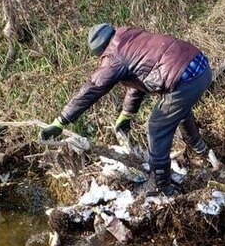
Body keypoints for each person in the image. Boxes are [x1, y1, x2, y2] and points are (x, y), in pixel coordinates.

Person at [40, 23, 215, 196]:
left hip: (185, 80)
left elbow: (93, 87)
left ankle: (161, 186)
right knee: (179, 110)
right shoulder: (130, 37)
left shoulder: (113, 57)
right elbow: (139, 79)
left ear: (100, 52)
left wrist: (61, 121)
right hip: (200, 67)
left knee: (157, 127)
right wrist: (126, 114)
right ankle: (201, 151)